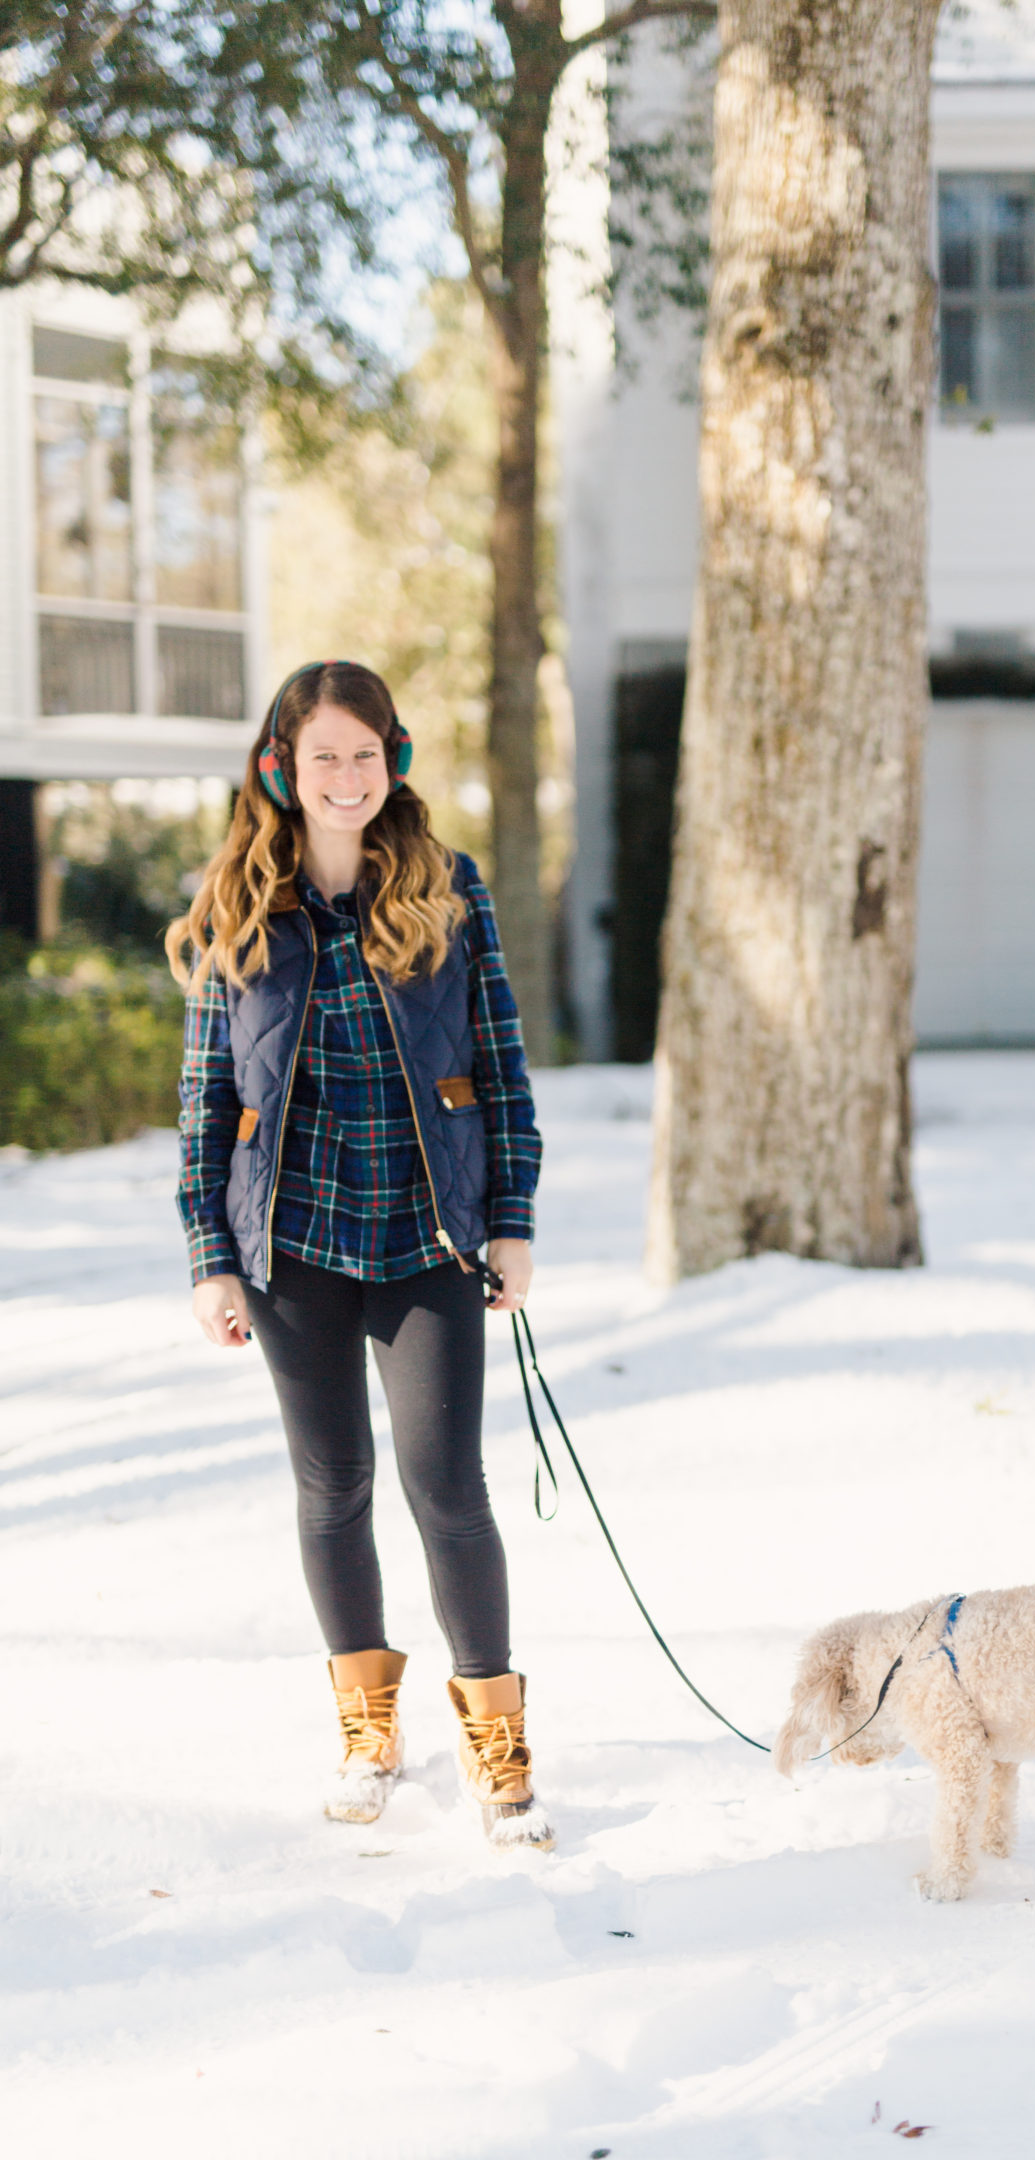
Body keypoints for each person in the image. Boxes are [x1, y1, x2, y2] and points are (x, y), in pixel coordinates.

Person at [166, 660, 550, 1849]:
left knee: (449, 1488)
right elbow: (204, 1100)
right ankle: (368, 1730)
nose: (347, 777)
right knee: (332, 1490)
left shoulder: (449, 889)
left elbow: (501, 1068)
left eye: (366, 754)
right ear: (282, 766)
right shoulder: (233, 902)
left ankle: (496, 1738)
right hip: (290, 1246)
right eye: (323, 756)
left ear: (398, 761)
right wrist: (207, 1253)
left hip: (427, 1233)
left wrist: (514, 1218)